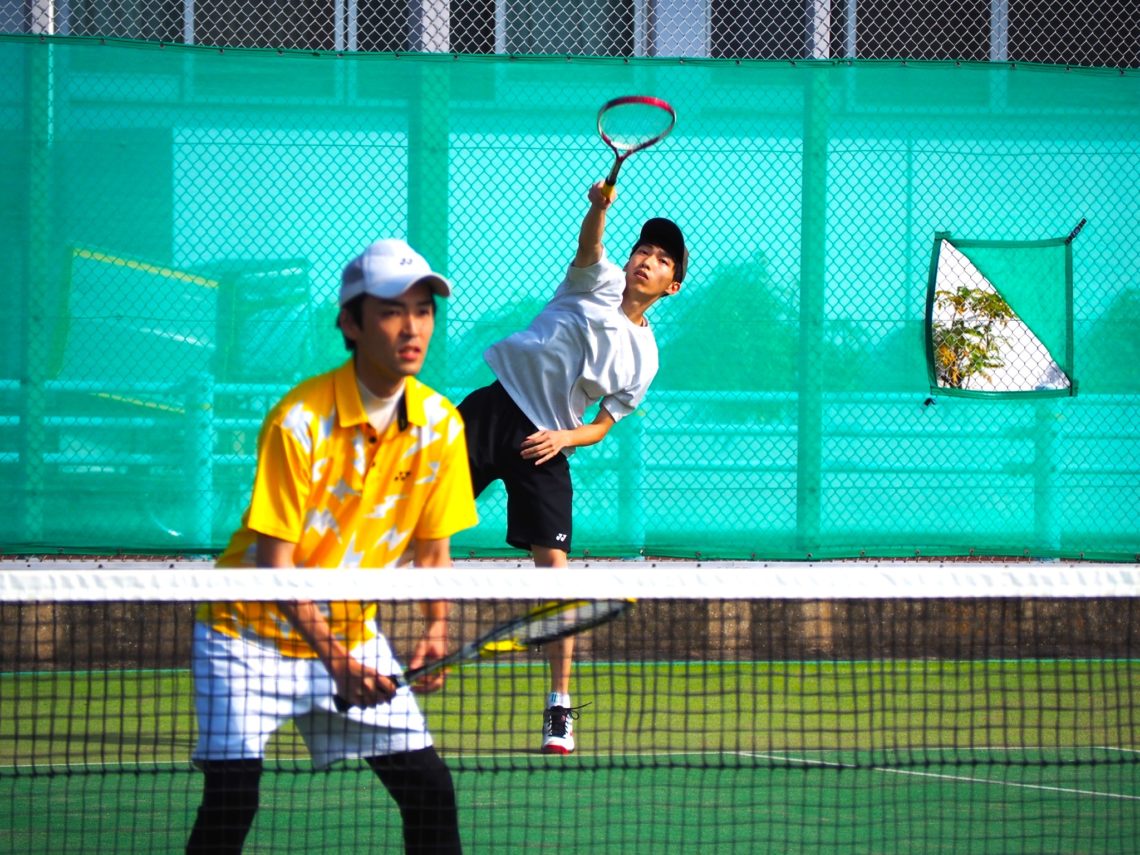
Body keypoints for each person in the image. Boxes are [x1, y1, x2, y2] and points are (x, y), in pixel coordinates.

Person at [187, 239, 478, 854]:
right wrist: (337, 662)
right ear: (351, 322)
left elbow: (432, 552)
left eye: (423, 310)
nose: (412, 327)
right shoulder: (299, 421)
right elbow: (276, 563)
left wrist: (436, 626)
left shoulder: (441, 426)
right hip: (245, 636)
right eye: (392, 311)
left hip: (351, 636)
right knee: (233, 797)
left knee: (428, 790)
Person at [457, 180, 686, 754]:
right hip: (496, 408)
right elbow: (590, 247)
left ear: (671, 285)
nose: (646, 262)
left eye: (661, 261)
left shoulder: (647, 356)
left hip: (546, 443)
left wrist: (562, 437)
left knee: (554, 576)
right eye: (643, 251)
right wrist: (598, 208)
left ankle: (559, 709)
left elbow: (604, 424)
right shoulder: (599, 277)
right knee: (412, 518)